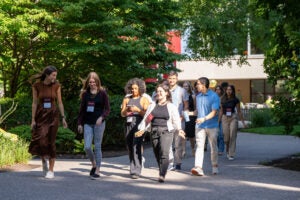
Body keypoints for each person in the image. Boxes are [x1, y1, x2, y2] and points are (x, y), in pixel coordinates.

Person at [135, 83, 185, 182]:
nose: (159, 93)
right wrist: (141, 129)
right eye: (157, 91)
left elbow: (176, 120)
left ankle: (162, 174)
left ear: (166, 93)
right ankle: (162, 168)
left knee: (164, 153)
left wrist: (179, 129)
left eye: (161, 91)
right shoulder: (153, 105)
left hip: (166, 132)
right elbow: (147, 119)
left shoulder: (171, 106)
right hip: (154, 131)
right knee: (157, 153)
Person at [29, 66, 68, 179]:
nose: (55, 77)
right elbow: (34, 103)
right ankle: (43, 160)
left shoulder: (56, 86)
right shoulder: (36, 86)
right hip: (41, 116)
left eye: (56, 75)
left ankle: (51, 170)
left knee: (51, 141)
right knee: (41, 140)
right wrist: (33, 120)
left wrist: (63, 117)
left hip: (53, 116)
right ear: (47, 75)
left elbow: (60, 102)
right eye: (53, 75)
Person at [77, 72, 110, 179]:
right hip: (87, 123)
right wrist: (80, 123)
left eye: (94, 82)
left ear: (97, 82)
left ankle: (98, 170)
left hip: (99, 123)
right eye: (90, 82)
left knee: (97, 146)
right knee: (87, 146)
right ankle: (94, 164)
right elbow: (81, 110)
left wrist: (101, 117)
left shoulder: (102, 93)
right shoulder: (85, 94)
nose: (92, 84)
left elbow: (107, 109)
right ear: (88, 82)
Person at [121, 78, 150, 179]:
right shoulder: (126, 99)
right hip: (128, 124)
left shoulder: (144, 99)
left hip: (139, 124)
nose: (133, 90)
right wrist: (127, 111)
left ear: (140, 89)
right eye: (132, 88)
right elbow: (122, 114)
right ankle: (133, 166)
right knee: (129, 146)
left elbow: (147, 114)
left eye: (135, 88)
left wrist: (137, 109)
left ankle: (136, 170)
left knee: (136, 146)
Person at [191, 77, 220, 176]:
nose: (196, 85)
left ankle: (215, 165)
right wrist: (189, 113)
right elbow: (197, 111)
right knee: (199, 146)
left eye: (198, 84)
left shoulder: (214, 96)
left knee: (213, 147)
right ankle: (198, 167)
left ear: (204, 85)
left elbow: (214, 112)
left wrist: (203, 118)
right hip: (200, 125)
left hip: (212, 125)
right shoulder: (198, 96)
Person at [167, 70, 189, 171]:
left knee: (178, 143)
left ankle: (178, 163)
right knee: (167, 143)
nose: (171, 80)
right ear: (167, 79)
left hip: (179, 120)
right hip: (167, 120)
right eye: (170, 78)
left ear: (177, 79)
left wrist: (183, 117)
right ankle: (170, 163)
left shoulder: (182, 91)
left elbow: (186, 106)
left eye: (173, 78)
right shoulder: (165, 89)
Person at [220, 85, 246, 161]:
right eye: (227, 89)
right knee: (226, 138)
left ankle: (231, 154)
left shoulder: (236, 100)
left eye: (230, 90)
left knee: (233, 135)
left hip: (233, 117)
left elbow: (239, 111)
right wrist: (218, 121)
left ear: (233, 91)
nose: (229, 91)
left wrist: (243, 123)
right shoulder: (222, 99)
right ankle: (227, 149)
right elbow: (221, 111)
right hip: (224, 117)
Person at [182, 81, 196, 156]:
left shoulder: (193, 96)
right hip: (182, 115)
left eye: (186, 86)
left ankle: (193, 148)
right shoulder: (180, 95)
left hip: (190, 116)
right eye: (184, 86)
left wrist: (191, 113)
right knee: (183, 133)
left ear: (189, 87)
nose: (185, 88)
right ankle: (183, 150)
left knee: (191, 135)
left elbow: (195, 108)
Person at [215, 85, 225, 155]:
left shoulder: (223, 98)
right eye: (216, 89)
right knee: (216, 135)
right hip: (214, 118)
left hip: (222, 118)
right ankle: (218, 149)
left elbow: (221, 110)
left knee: (221, 135)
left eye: (219, 89)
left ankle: (221, 150)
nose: (217, 91)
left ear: (221, 90)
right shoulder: (213, 98)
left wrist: (219, 119)